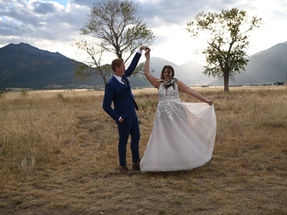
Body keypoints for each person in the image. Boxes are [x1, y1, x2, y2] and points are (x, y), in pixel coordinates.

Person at [140, 50, 217, 172]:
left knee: (179, 135)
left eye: (168, 72)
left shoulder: (176, 82)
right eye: (164, 72)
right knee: (164, 137)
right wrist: (147, 58)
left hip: (177, 113)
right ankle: (164, 161)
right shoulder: (158, 83)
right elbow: (146, 72)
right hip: (162, 116)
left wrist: (205, 100)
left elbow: (191, 91)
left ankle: (184, 159)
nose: (166, 74)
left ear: (172, 73)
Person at [103, 45, 150, 175]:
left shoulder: (125, 77)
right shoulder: (111, 85)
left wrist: (139, 51)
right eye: (123, 66)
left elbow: (133, 66)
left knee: (136, 137)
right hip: (122, 117)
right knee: (123, 141)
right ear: (117, 69)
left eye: (124, 66)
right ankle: (123, 166)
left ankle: (136, 162)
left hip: (132, 114)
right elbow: (106, 106)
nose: (125, 68)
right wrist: (118, 118)